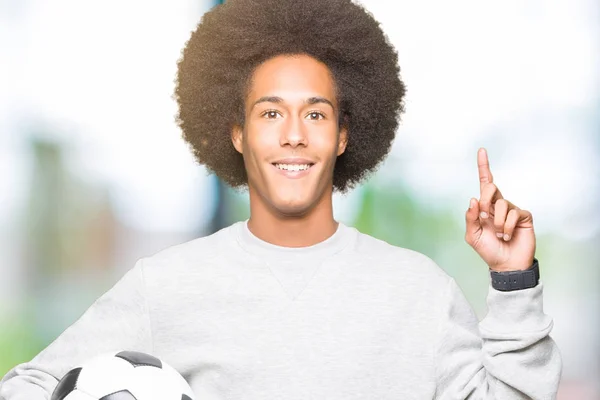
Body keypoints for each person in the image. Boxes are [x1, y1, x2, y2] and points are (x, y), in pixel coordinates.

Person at [0, 0, 562, 399]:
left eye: (315, 113)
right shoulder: (166, 286)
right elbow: (28, 385)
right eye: (271, 112)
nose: (294, 134)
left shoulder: (420, 294)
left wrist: (514, 281)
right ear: (238, 134)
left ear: (343, 134)